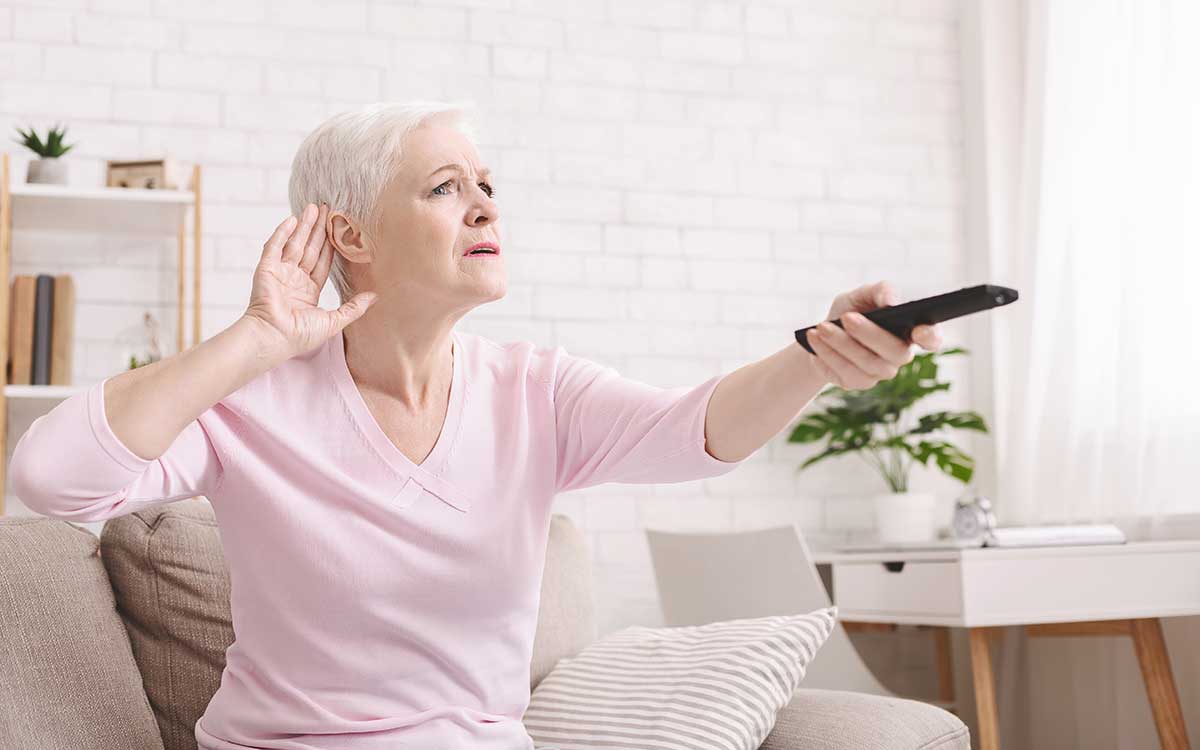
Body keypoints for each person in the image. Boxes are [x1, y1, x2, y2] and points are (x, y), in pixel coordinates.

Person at [10, 100, 942, 750]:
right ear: (352, 235)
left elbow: (690, 431)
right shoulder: (253, 398)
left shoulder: (533, 390)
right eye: (445, 187)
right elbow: (50, 479)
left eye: (486, 183)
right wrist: (252, 340)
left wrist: (817, 358)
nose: (488, 204)